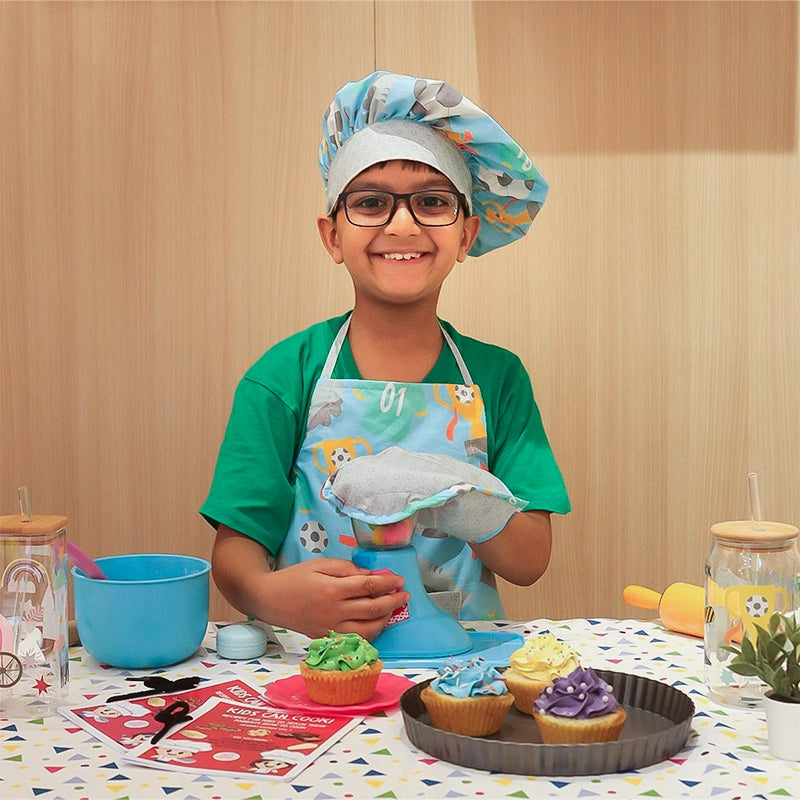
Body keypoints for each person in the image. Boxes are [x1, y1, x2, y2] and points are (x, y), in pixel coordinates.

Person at [202, 71, 570, 642]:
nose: (402, 224)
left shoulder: (499, 379)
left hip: (453, 674)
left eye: (431, 202)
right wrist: (271, 594)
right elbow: (235, 553)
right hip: (312, 666)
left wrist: (459, 501)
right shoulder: (282, 376)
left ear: (467, 233)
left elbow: (529, 562)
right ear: (331, 236)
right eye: (371, 203)